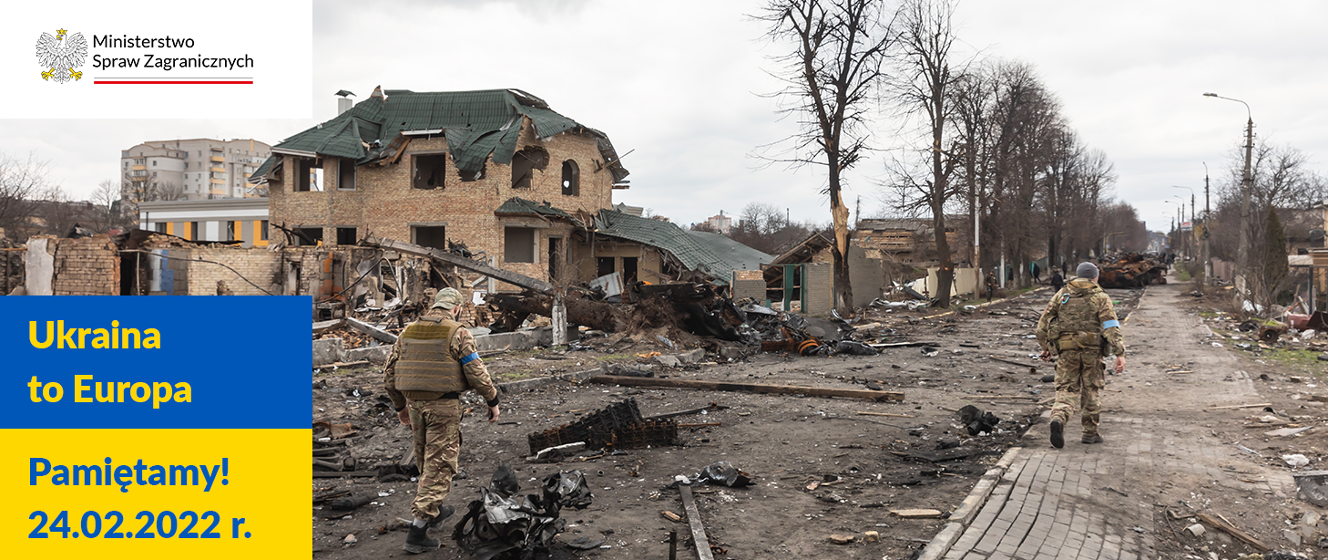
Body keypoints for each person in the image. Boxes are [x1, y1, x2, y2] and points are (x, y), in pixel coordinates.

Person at [384, 287, 501, 554]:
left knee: (426, 461)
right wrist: (492, 400)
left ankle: (434, 512)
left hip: (415, 405)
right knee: (439, 466)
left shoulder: (407, 331)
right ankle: (417, 532)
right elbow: (475, 371)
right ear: (456, 308)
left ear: (436, 305)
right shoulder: (458, 332)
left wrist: (400, 406)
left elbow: (389, 372)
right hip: (443, 406)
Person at [1035, 262, 1125, 448]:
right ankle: (1090, 433)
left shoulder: (1062, 294)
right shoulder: (1100, 297)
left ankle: (1059, 417)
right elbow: (1110, 326)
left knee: (1066, 389)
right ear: (1095, 277)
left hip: (1067, 352)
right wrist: (1119, 352)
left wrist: (1045, 347)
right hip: (1092, 353)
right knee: (1091, 390)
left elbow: (1042, 325)